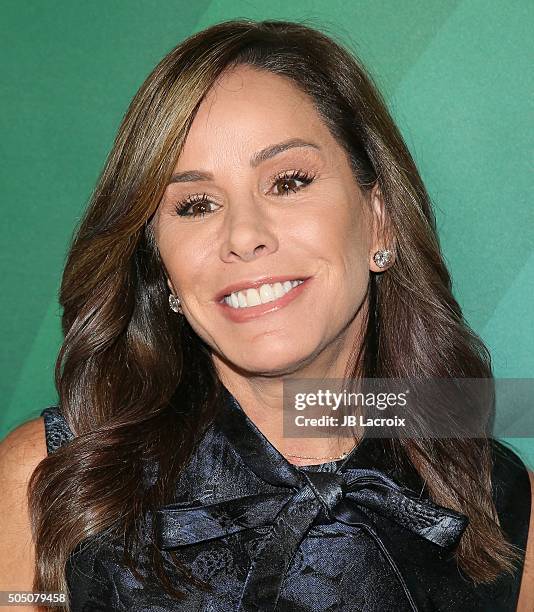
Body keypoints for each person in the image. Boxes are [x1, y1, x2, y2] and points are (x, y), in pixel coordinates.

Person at [1, 19, 533, 612]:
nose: (244, 235)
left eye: (288, 181)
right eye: (196, 205)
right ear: (163, 269)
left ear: (379, 219)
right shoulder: (49, 482)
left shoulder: (499, 498)